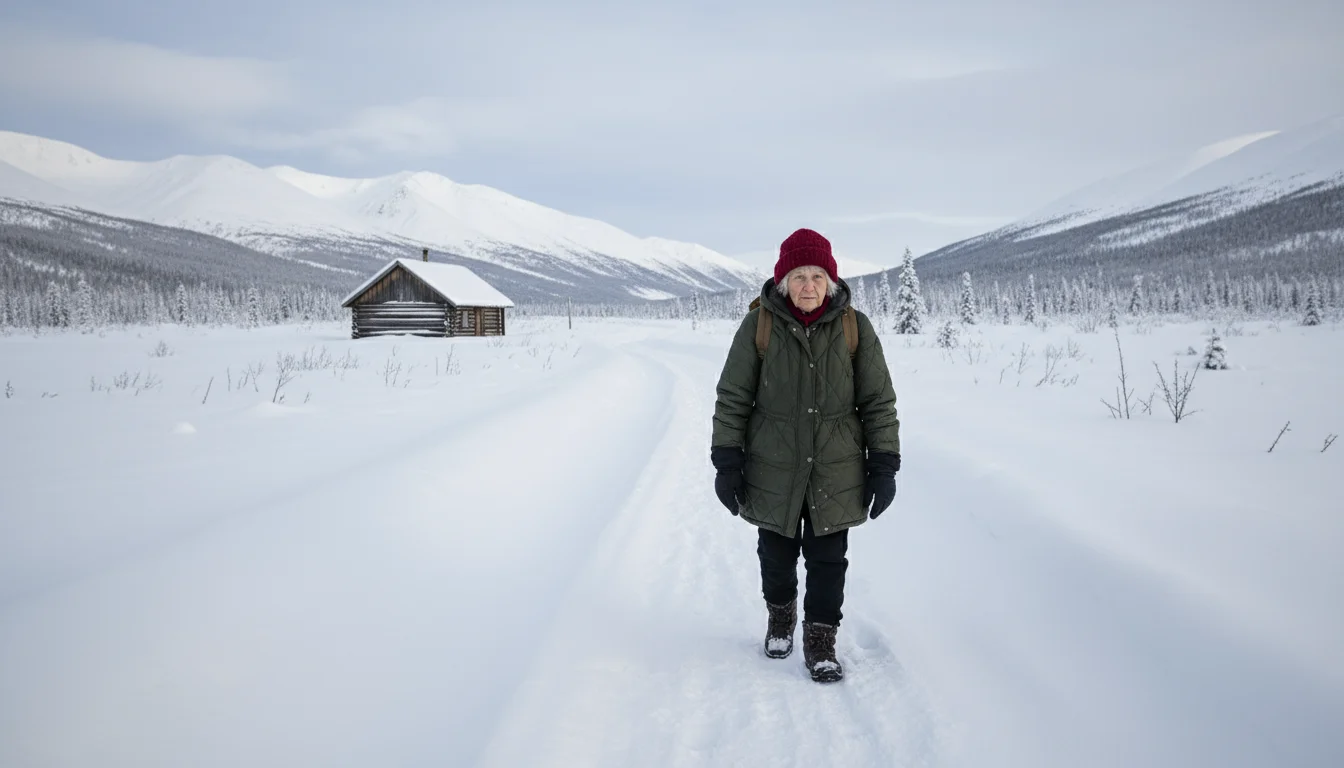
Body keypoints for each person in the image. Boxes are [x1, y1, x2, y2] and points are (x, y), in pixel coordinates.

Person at [710, 227, 901, 683]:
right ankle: (780, 617)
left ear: (831, 281)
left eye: (817, 276)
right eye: (799, 276)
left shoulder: (856, 327)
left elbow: (878, 401)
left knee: (828, 559)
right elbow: (733, 397)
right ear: (783, 282)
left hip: (836, 471)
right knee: (775, 554)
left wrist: (884, 464)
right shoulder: (759, 326)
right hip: (772, 468)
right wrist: (727, 460)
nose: (809, 286)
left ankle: (820, 640)